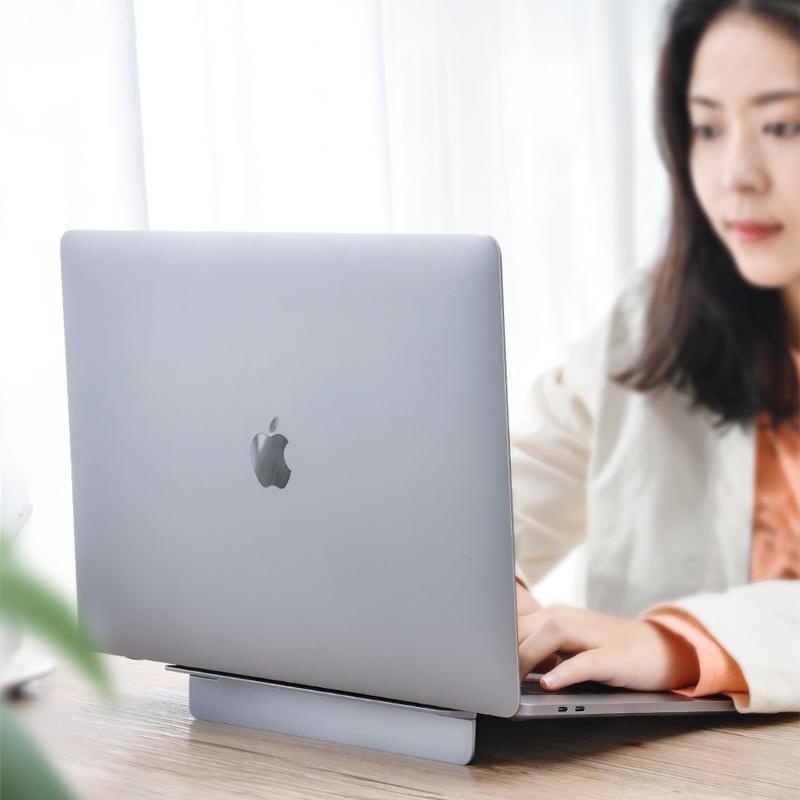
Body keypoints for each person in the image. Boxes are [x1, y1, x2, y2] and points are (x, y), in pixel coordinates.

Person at [512, 0, 799, 714]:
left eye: (783, 125)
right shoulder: (655, 320)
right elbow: (496, 502)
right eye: (707, 127)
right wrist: (485, 589)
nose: (737, 174)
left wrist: (673, 644)